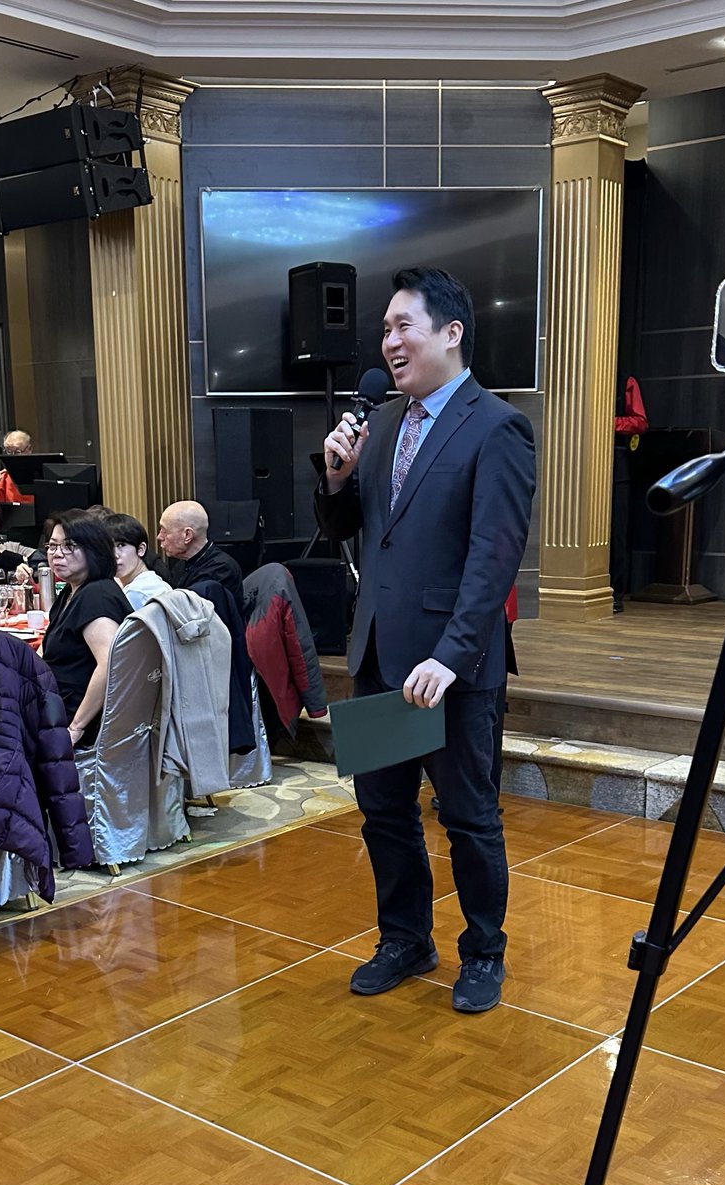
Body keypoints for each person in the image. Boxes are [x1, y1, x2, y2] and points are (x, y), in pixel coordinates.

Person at [315, 267, 535, 1014]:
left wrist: (451, 653)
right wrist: (337, 478)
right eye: (384, 330)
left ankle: (483, 952)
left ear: (451, 331)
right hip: (378, 654)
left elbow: (493, 556)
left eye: (403, 325)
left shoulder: (497, 425)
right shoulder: (377, 428)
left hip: (453, 668)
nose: (390, 342)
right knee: (383, 813)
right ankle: (405, 938)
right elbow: (345, 533)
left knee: (469, 816)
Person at [40, 511, 132, 747]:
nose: (57, 554)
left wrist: (75, 728)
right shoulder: (72, 590)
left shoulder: (96, 596)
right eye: (52, 546)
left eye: (69, 546)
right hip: (54, 703)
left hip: (78, 718)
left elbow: (111, 663)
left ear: (94, 550)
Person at [157, 500, 245, 618]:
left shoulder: (221, 570)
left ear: (187, 535)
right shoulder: (182, 564)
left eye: (164, 531)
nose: (159, 537)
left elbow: (195, 621)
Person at [611, 374, 648, 614]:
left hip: (617, 465)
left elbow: (640, 422)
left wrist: (607, 423)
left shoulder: (626, 380)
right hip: (581, 465)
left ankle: (616, 593)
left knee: (616, 533)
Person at [106, 512, 172, 610]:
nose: (115, 555)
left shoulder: (136, 592)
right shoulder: (155, 581)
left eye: (121, 545)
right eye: (108, 547)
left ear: (141, 549)